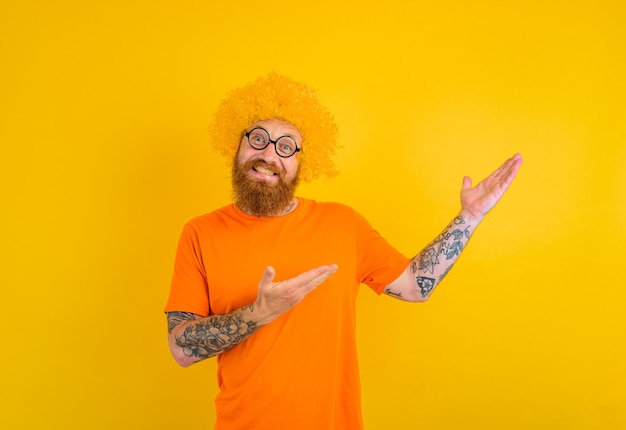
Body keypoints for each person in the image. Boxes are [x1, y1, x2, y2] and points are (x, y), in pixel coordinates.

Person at [164, 72, 523, 430]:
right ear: (237, 144)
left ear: (302, 162)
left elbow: (417, 285)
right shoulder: (200, 233)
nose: (269, 154)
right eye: (258, 138)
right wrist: (258, 314)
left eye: (286, 146)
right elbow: (181, 348)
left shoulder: (343, 224)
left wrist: (469, 217)